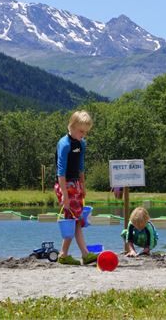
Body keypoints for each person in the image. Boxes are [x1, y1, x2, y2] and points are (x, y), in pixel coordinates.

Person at [54, 110, 98, 266]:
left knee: (77, 220)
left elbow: (80, 167)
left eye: (86, 132)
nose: (83, 135)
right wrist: (64, 194)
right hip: (65, 185)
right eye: (81, 131)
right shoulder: (64, 144)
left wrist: (83, 186)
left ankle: (72, 254)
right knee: (73, 219)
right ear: (71, 127)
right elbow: (61, 170)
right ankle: (72, 254)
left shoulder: (82, 144)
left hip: (76, 184)